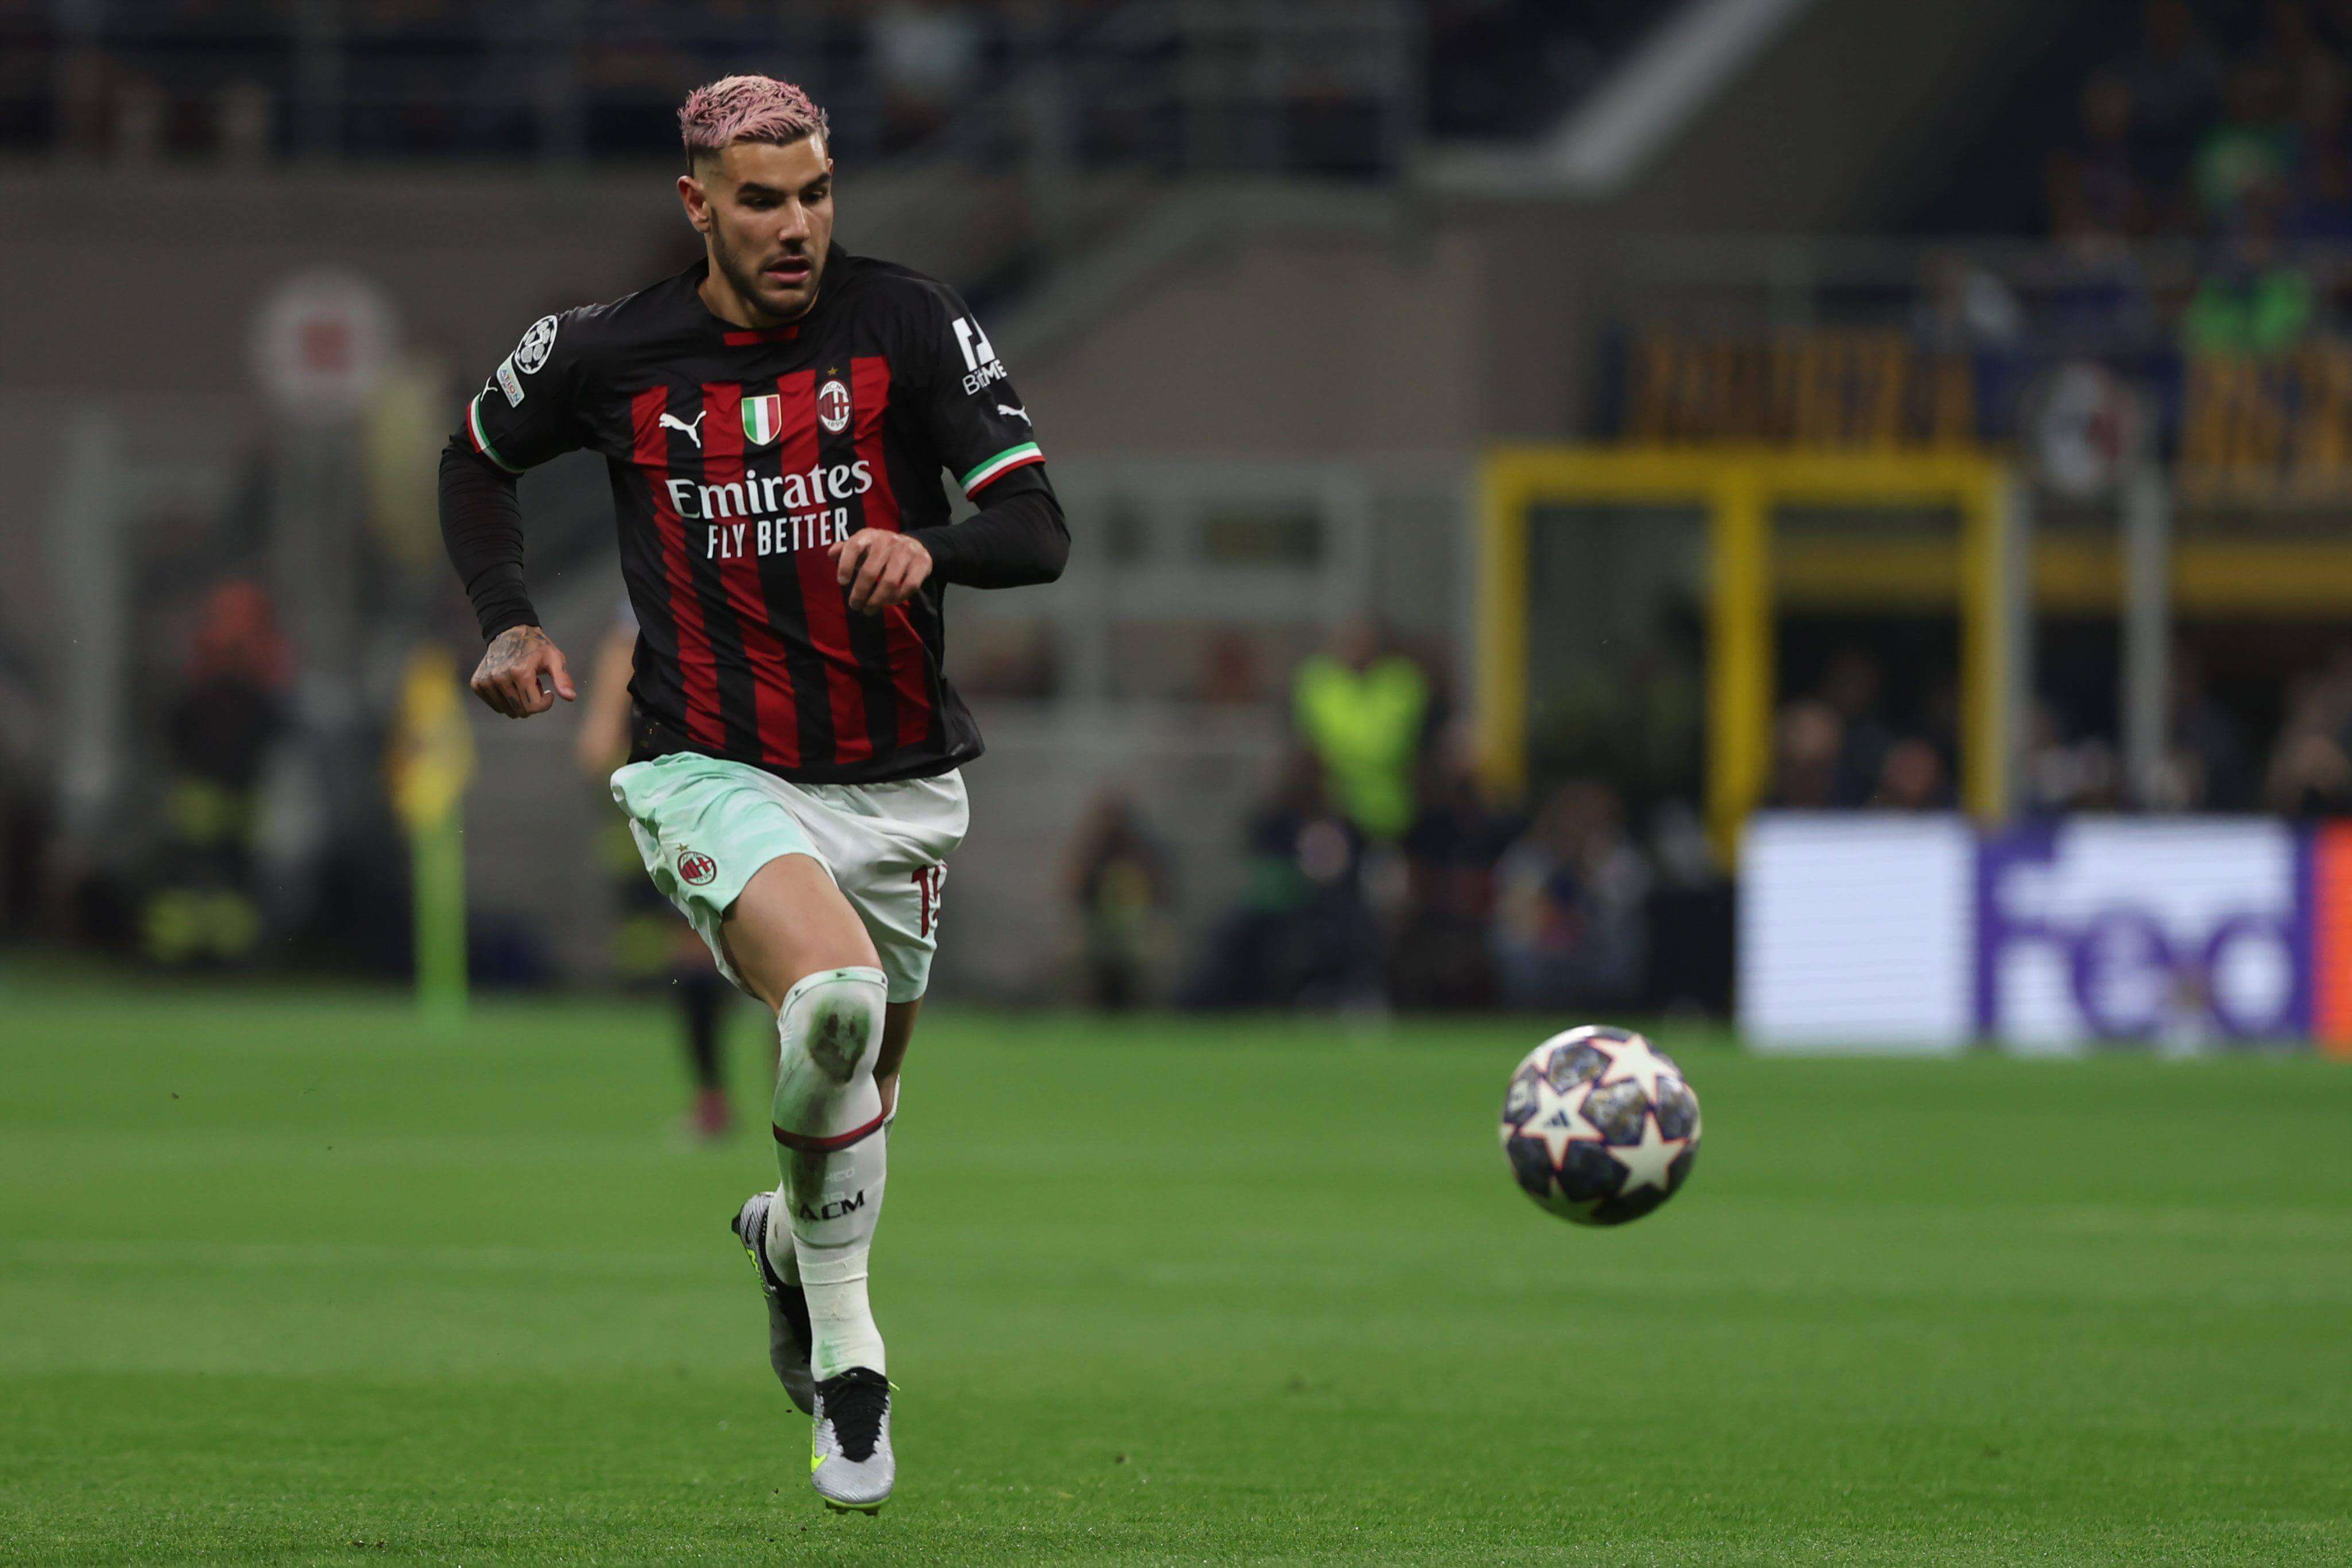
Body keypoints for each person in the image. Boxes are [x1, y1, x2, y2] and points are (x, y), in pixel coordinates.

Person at [436, 73, 1067, 1514]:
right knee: (831, 1007)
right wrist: (509, 621)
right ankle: (851, 1365)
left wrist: (930, 546)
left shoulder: (910, 321)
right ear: (698, 206)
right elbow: (474, 458)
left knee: (858, 1109)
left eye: (817, 194)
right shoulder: (602, 351)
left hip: (899, 784)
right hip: (706, 765)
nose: (797, 226)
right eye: (763, 201)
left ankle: (786, 1242)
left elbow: (1036, 529)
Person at [574, 601, 734, 1140]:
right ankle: (715, 1099)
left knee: (782, 957)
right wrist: (604, 720)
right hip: (698, 770)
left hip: (750, 762)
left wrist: (603, 725)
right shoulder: (668, 569)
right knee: (695, 944)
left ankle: (758, 1100)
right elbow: (629, 633)